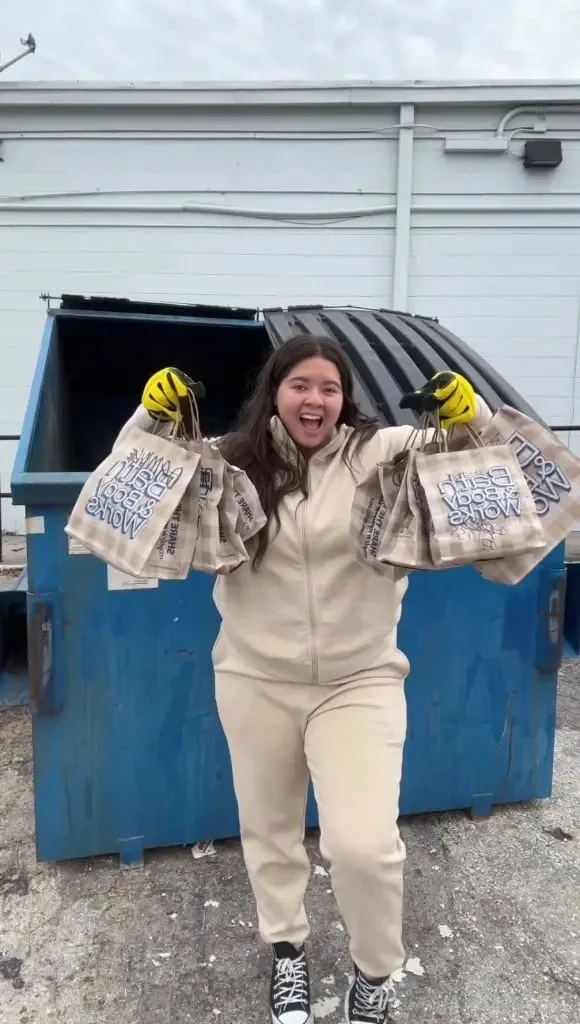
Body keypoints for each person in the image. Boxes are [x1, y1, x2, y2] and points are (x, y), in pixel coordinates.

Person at [135, 336, 492, 1024]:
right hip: (253, 678)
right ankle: (289, 955)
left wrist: (467, 414)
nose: (316, 400)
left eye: (329, 388)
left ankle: (374, 973)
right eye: (301, 384)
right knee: (268, 830)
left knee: (363, 845)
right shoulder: (232, 459)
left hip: (360, 682)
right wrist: (151, 418)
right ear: (276, 391)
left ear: (343, 399)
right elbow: (147, 468)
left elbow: (473, 463)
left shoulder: (378, 452)